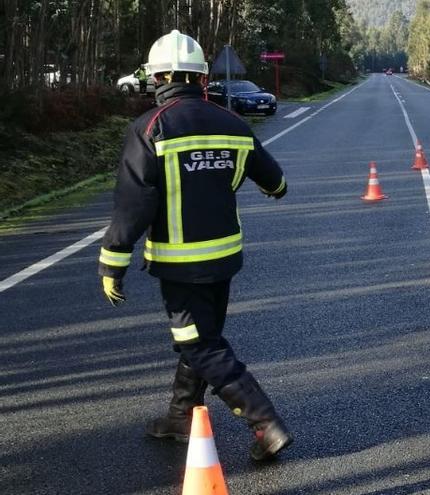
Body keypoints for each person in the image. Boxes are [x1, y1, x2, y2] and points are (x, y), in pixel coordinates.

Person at [97, 30, 292, 462]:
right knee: (202, 337)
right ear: (201, 76)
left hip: (180, 265)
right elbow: (276, 181)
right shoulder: (234, 125)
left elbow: (134, 204)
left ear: (160, 75)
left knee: (201, 344)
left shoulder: (150, 128)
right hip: (224, 259)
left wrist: (112, 262)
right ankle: (181, 416)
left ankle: (265, 423)